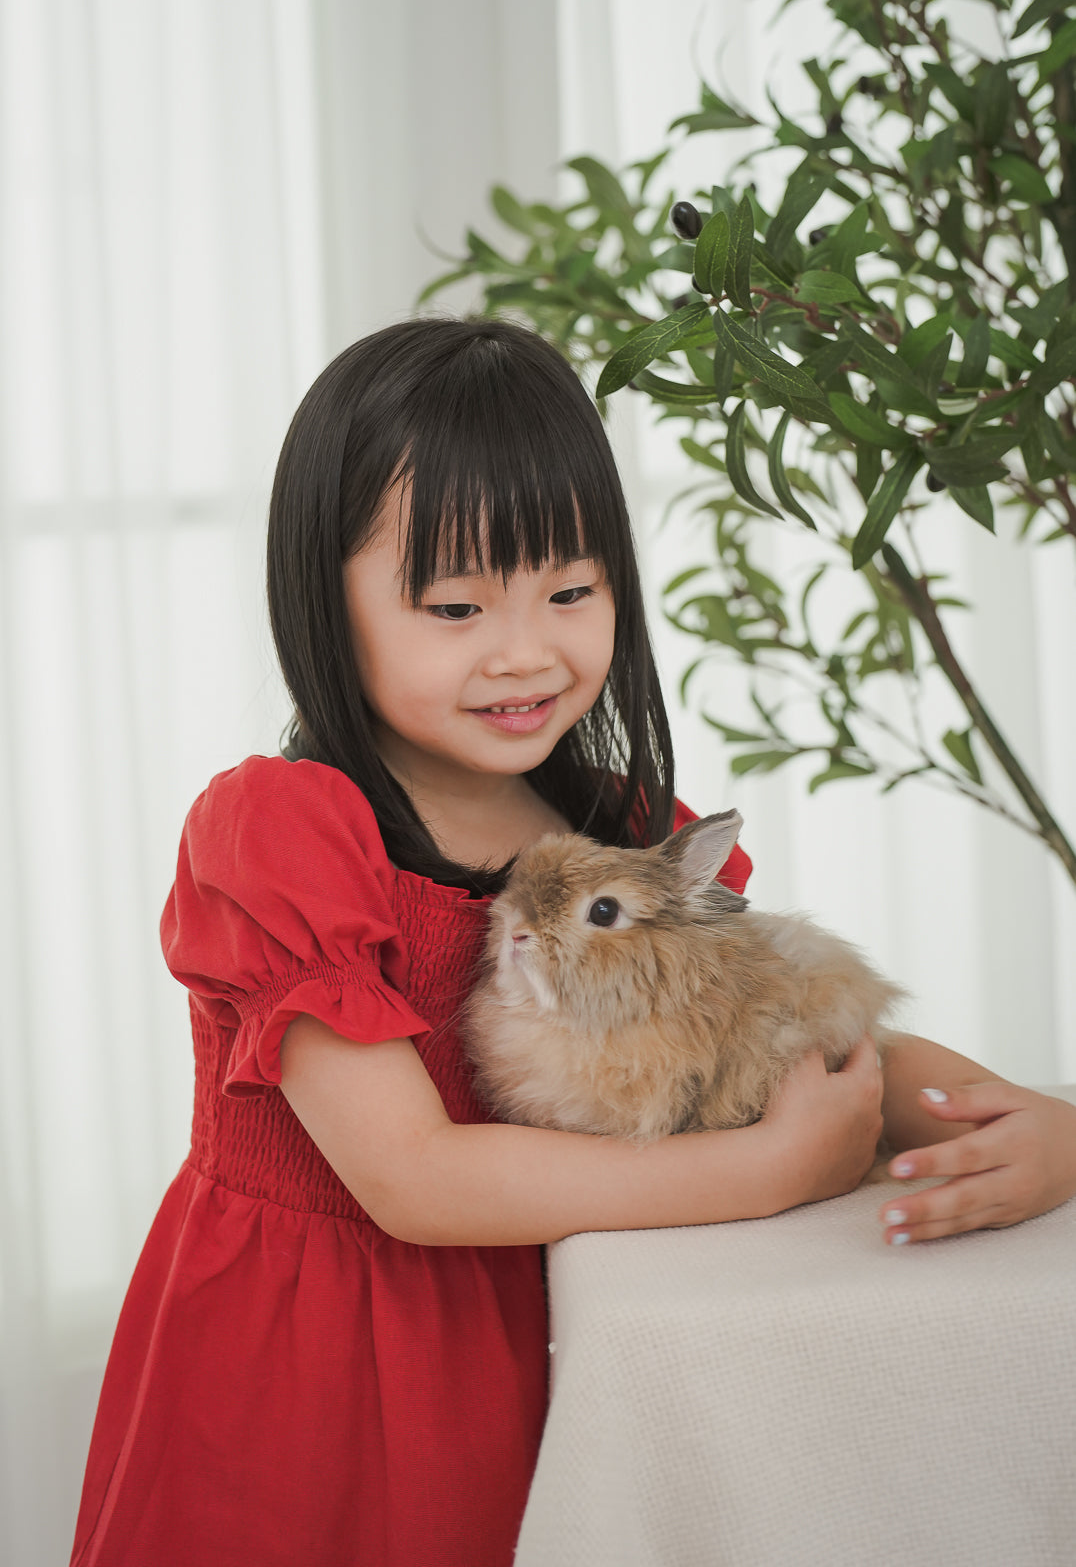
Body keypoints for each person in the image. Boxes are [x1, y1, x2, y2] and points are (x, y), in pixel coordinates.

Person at [70, 317, 1076, 1567]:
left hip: (563, 1343)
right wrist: (774, 1171)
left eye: (569, 589)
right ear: (321, 597)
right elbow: (416, 1182)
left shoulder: (613, 835)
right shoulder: (283, 830)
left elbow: (777, 1023)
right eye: (454, 603)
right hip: (310, 1379)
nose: (524, 650)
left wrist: (1012, 1121)